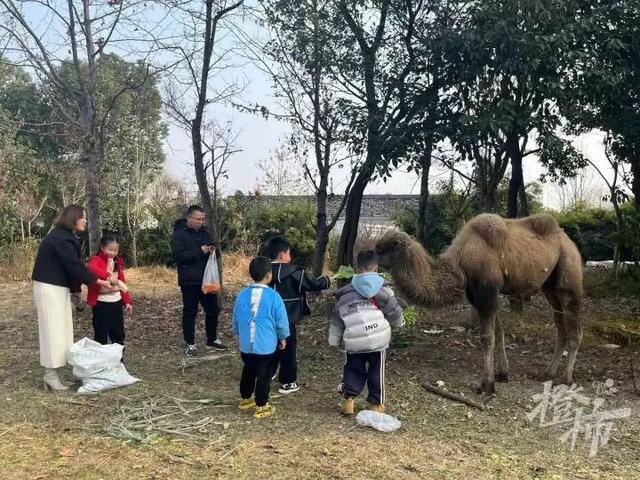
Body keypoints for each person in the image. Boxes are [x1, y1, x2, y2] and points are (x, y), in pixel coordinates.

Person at [31, 205, 110, 391]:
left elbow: (71, 268)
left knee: (62, 329)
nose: (85, 221)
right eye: (83, 217)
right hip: (49, 288)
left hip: (57, 287)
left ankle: (56, 373)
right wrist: (97, 281)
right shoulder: (60, 238)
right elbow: (74, 266)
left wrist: (76, 289)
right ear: (73, 218)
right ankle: (50, 375)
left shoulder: (64, 237)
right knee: (53, 330)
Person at [329, 250, 404, 416]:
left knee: (353, 369)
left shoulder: (345, 294)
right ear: (376, 268)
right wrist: (399, 323)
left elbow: (337, 318)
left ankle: (349, 402)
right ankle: (375, 404)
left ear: (357, 268)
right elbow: (394, 311)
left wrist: (334, 340)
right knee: (377, 371)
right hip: (379, 341)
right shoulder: (384, 290)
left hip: (354, 342)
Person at [268, 236, 330, 394]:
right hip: (287, 319)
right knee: (288, 350)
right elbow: (312, 284)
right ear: (283, 254)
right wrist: (327, 280)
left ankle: (267, 374)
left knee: (270, 346)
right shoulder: (295, 272)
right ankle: (288, 382)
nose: (290, 256)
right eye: (288, 253)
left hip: (266, 318)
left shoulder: (263, 270)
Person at [232, 256, 289, 419]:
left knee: (248, 370)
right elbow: (281, 321)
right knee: (264, 375)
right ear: (268, 275)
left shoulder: (242, 295)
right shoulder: (274, 296)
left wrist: (239, 333)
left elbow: (235, 318)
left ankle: (245, 399)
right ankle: (262, 405)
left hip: (246, 345)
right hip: (265, 346)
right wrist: (282, 337)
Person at [171, 205, 227, 357]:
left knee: (213, 309)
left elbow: (215, 253)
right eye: (198, 219)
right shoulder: (180, 234)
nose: (200, 222)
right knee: (190, 312)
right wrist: (199, 251)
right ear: (189, 218)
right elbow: (178, 256)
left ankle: (212, 338)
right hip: (189, 280)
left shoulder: (205, 233)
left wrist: (214, 250)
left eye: (202, 219)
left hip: (207, 279)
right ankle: (190, 344)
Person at [86, 234, 132, 347]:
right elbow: (91, 269)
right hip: (102, 303)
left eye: (116, 250)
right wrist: (108, 277)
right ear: (102, 247)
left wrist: (127, 301)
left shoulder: (118, 262)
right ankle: (101, 361)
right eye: (110, 249)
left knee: (118, 334)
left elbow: (121, 282)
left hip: (116, 302)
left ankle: (118, 361)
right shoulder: (96, 260)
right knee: (101, 334)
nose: (113, 253)